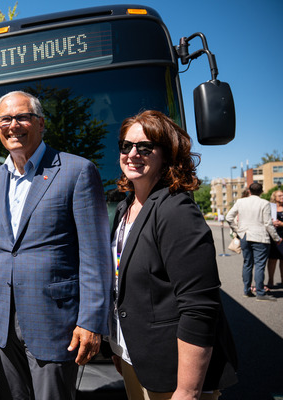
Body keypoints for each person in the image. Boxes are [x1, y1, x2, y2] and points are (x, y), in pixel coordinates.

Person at [0, 91, 112, 400]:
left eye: (22, 117)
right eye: (5, 119)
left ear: (41, 124)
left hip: (54, 320)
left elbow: (96, 254)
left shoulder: (77, 171)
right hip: (2, 317)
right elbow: (3, 247)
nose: (13, 125)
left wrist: (91, 321)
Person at [108, 110, 238, 399]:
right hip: (135, 356)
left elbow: (200, 307)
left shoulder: (175, 210)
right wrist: (116, 344)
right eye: (126, 146)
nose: (132, 154)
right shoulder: (124, 208)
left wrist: (188, 391)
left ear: (167, 154)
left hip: (175, 373)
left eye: (145, 147)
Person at [226, 182, 282, 301]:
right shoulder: (264, 203)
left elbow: (229, 217)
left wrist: (238, 230)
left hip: (245, 235)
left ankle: (247, 290)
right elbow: (268, 223)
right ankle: (260, 293)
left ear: (249, 191)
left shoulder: (241, 202)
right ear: (261, 191)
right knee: (259, 265)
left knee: (247, 263)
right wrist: (277, 238)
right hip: (260, 237)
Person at [267, 189, 283, 287]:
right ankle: (270, 280)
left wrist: (281, 223)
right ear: (275, 198)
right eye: (280, 196)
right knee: (272, 259)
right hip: (273, 236)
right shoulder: (270, 208)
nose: (282, 197)